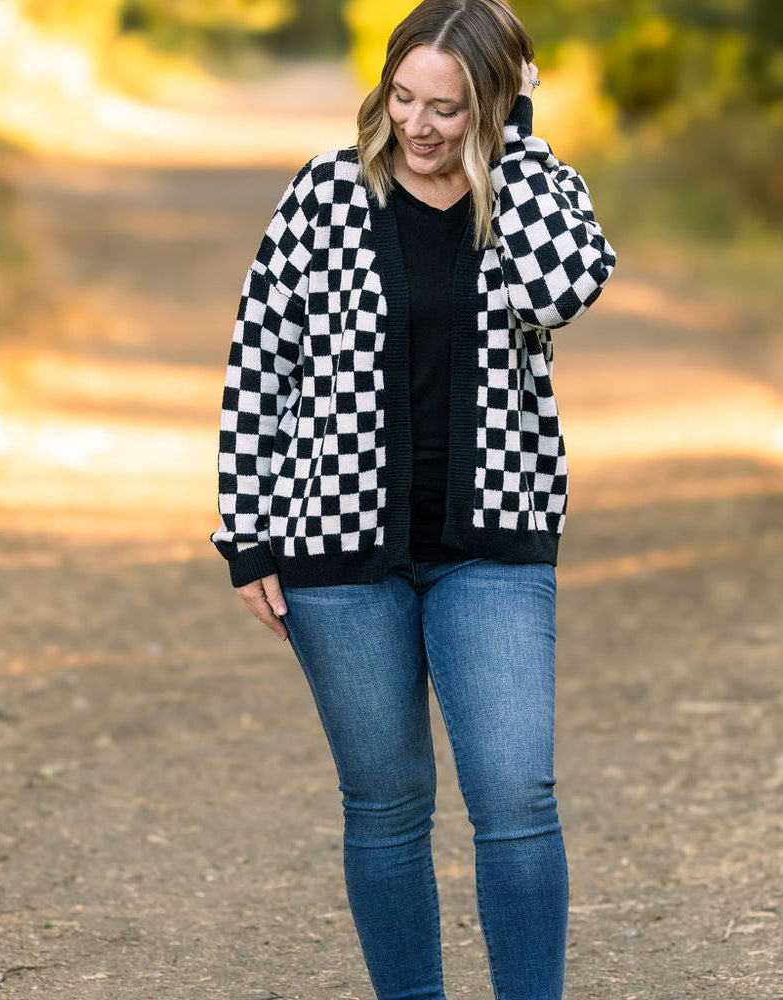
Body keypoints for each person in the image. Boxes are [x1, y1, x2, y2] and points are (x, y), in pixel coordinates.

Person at [212, 1, 616, 996]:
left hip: (494, 546)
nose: (421, 126)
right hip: (337, 551)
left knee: (516, 796)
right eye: (404, 98)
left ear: (491, 104)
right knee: (386, 806)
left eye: (450, 106)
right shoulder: (323, 195)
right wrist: (248, 535)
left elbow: (557, 293)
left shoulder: (536, 191)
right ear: (382, 89)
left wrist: (514, 145)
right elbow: (261, 366)